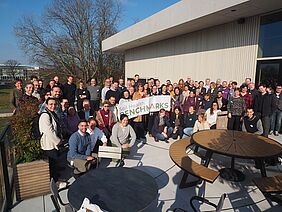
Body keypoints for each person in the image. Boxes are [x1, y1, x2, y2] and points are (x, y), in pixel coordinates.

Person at [39, 97, 62, 181]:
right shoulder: (45, 115)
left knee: (55, 162)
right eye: (51, 104)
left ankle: (56, 176)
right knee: (52, 163)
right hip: (49, 143)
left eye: (55, 104)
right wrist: (58, 141)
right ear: (46, 105)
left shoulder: (52, 113)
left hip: (53, 142)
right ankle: (55, 182)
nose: (53, 106)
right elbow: (49, 131)